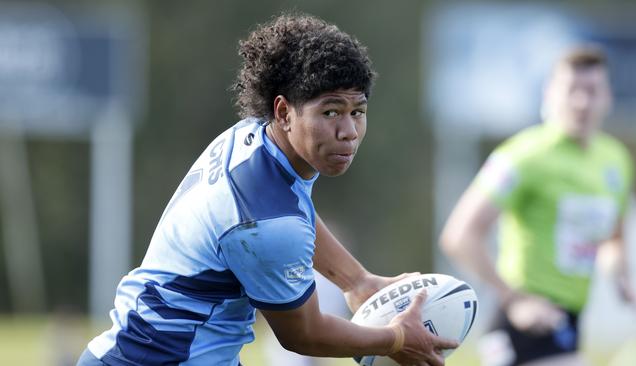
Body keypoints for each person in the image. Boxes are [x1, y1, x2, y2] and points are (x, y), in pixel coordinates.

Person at [77, 13, 458, 366]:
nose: (349, 132)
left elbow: (293, 210)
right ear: (283, 112)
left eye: (357, 111)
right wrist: (394, 339)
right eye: (330, 112)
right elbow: (305, 334)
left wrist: (356, 280)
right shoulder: (265, 220)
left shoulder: (252, 139)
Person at [439, 45, 636, 366]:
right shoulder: (524, 156)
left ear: (608, 96)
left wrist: (621, 276)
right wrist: (515, 299)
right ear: (550, 94)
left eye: (592, 90)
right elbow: (458, 236)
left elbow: (613, 237)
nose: (582, 102)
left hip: (569, 322)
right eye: (572, 90)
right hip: (523, 327)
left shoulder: (616, 161)